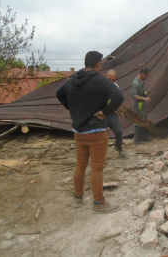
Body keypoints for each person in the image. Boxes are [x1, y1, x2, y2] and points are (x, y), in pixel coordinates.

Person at [56, 51, 124, 214]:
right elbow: (118, 96)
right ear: (98, 64)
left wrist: (72, 109)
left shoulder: (73, 80)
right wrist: (106, 112)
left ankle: (78, 198)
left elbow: (59, 94)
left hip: (79, 131)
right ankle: (98, 202)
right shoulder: (100, 80)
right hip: (96, 131)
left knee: (80, 165)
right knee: (97, 168)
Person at [104, 69, 126, 157]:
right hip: (102, 113)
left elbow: (116, 101)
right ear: (105, 77)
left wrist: (119, 112)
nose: (112, 81)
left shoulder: (116, 86)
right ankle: (102, 154)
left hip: (111, 112)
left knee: (119, 131)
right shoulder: (100, 85)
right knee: (103, 135)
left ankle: (118, 147)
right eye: (109, 79)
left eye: (113, 79)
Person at [131, 67, 151, 144]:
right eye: (147, 75)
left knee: (144, 120)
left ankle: (144, 137)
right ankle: (137, 139)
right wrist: (144, 99)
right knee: (138, 121)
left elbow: (142, 93)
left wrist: (145, 99)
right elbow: (133, 95)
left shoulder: (141, 81)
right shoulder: (135, 83)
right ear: (143, 74)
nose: (147, 77)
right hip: (138, 105)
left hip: (142, 104)